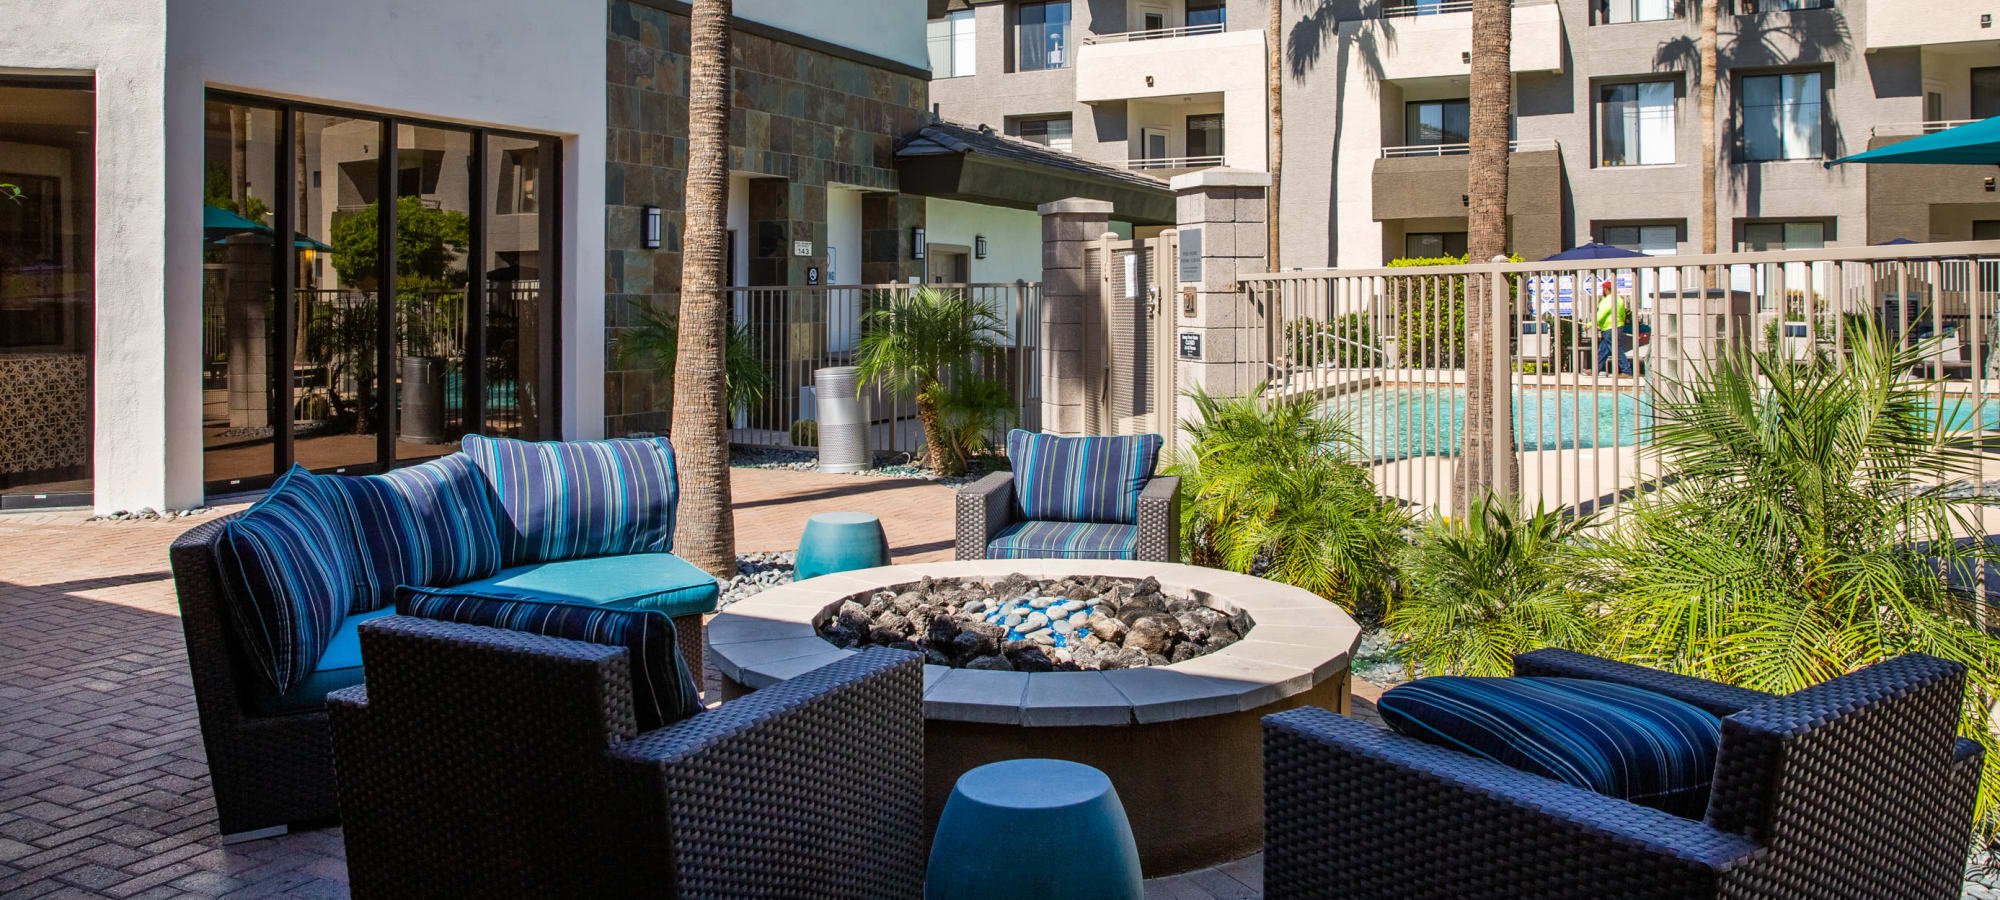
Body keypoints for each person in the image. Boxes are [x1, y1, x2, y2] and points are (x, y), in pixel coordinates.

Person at [1594, 287, 1651, 375]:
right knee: (1603, 350)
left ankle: (1627, 371)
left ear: (1606, 289)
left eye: (1603, 289)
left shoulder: (1608, 300)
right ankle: (1595, 370)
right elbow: (1623, 315)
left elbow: (1601, 314)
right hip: (1615, 327)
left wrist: (1591, 324)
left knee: (1616, 349)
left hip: (1609, 328)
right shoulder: (1619, 300)